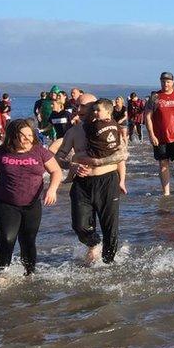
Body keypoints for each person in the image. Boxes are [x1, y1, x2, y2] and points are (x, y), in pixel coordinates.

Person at [51, 93, 128, 264]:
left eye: (84, 106)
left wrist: (122, 180)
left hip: (107, 180)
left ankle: (108, 264)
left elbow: (121, 156)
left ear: (96, 107)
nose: (79, 110)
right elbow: (59, 158)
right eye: (77, 106)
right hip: (82, 183)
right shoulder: (74, 131)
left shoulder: (111, 128)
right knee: (80, 226)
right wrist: (72, 165)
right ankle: (94, 243)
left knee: (110, 229)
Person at [0, 119, 63, 275]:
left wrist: (52, 189)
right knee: (7, 238)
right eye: (23, 136)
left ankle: (29, 274)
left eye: (30, 135)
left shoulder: (40, 151)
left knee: (28, 241)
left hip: (32, 205)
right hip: (6, 203)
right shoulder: (1, 152)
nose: (27, 139)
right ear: (12, 136)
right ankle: (2, 273)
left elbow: (56, 171)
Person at [84, 99, 128, 195]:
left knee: (77, 157)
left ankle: (70, 176)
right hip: (110, 153)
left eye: (98, 110)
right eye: (93, 110)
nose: (95, 112)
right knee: (121, 158)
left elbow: (86, 129)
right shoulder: (114, 123)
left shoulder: (95, 124)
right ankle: (122, 181)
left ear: (108, 111)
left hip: (99, 155)